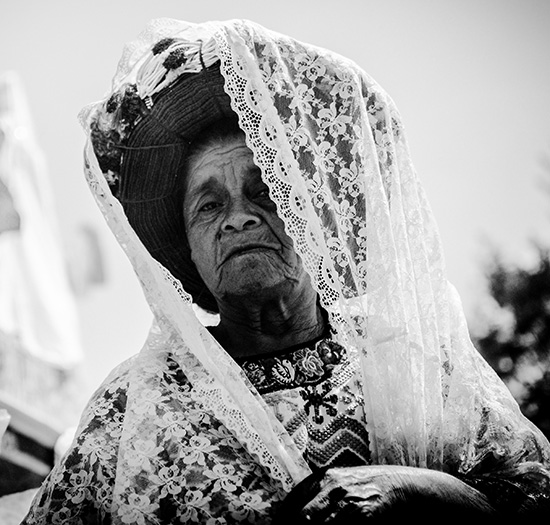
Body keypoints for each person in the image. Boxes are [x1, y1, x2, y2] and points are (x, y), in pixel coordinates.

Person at [23, 18, 550, 523]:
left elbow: (534, 493)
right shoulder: (130, 408)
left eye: (265, 191)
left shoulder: (413, 365)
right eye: (209, 206)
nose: (239, 217)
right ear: (189, 249)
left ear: (313, 218)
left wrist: (408, 489)